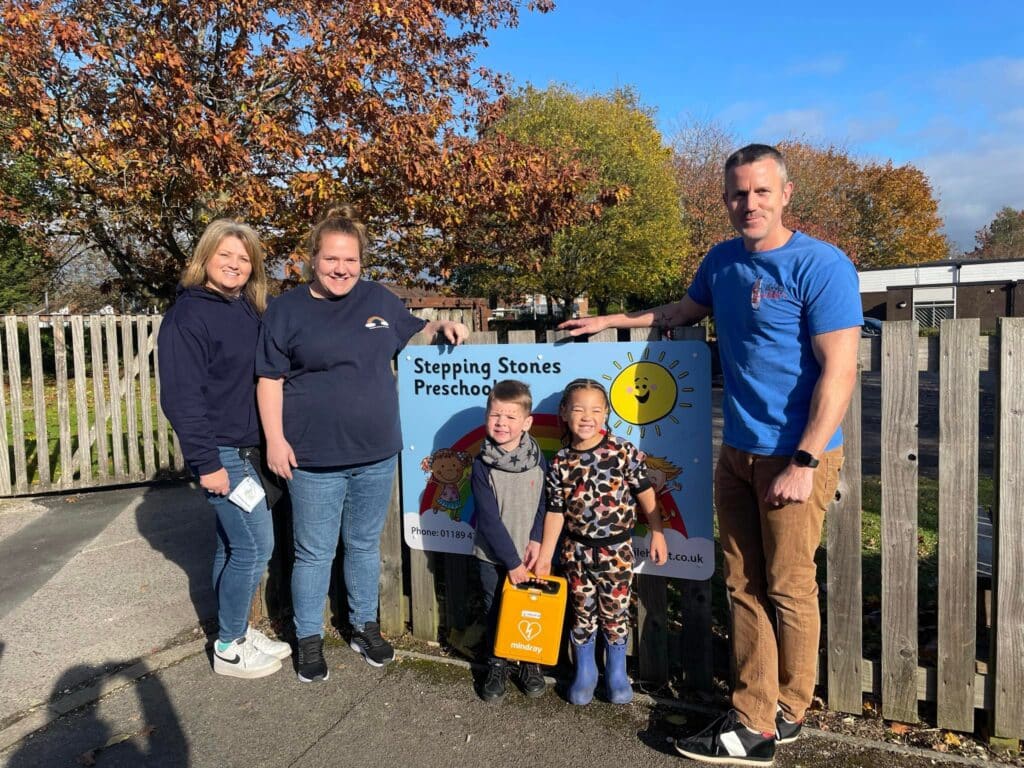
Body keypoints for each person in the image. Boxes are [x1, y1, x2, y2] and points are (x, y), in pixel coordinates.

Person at [560, 144, 861, 764]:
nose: (748, 204)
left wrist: (804, 463)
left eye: (760, 191)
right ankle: (768, 710)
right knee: (745, 584)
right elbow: (681, 310)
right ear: (725, 198)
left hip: (795, 455)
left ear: (785, 194)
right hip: (740, 451)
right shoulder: (722, 263)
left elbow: (840, 371)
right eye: (737, 193)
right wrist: (609, 321)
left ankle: (770, 719)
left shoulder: (822, 266)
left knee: (788, 586)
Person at [255, 205, 469, 682]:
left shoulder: (377, 299)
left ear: (361, 262)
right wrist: (275, 440)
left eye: (350, 260)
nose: (341, 269)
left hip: (375, 453)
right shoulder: (287, 310)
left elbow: (415, 328)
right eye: (331, 259)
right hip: (312, 458)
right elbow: (268, 379)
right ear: (312, 259)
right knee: (313, 552)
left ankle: (364, 625)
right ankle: (308, 637)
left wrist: (441, 327)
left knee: (363, 544)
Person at [158, 219, 291, 679]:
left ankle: (233, 628)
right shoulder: (188, 315)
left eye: (244, 257)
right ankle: (230, 647)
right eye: (225, 255)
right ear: (205, 258)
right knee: (256, 546)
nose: (235, 264)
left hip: (244, 447)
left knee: (230, 545)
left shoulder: (248, 308)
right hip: (220, 453)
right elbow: (180, 396)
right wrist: (206, 463)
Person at [534, 378, 667, 705]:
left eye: (595, 410)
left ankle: (617, 673)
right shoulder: (561, 462)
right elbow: (555, 512)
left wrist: (657, 531)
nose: (586, 417)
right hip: (576, 554)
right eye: (578, 409)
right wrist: (545, 556)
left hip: (617, 553)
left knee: (615, 612)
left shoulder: (622, 452)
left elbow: (645, 493)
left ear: (606, 413)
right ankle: (586, 672)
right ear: (564, 412)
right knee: (582, 614)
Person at [470, 380, 547, 702]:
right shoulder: (481, 463)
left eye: (510, 417)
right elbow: (487, 519)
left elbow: (547, 503)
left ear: (527, 422)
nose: (501, 423)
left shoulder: (539, 459)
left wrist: (537, 540)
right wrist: (511, 563)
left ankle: (529, 663)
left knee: (531, 612)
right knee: (495, 610)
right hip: (493, 556)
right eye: (495, 415)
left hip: (532, 555)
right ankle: (497, 664)